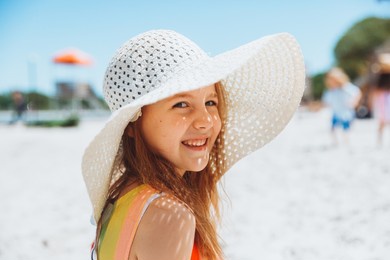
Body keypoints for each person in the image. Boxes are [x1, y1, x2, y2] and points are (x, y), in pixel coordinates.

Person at [82, 29, 305, 260]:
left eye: (210, 102)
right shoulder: (169, 215)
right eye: (181, 104)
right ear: (131, 124)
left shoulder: (121, 197)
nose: (206, 121)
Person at [322, 67, 361, 144]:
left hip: (346, 113)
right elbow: (326, 100)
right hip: (336, 112)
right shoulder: (331, 91)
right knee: (333, 129)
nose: (332, 82)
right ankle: (336, 142)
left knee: (345, 129)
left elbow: (357, 93)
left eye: (333, 80)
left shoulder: (346, 87)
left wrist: (354, 102)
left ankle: (346, 141)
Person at [371, 54, 390, 145]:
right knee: (383, 119)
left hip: (385, 97)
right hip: (383, 98)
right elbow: (376, 89)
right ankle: (379, 139)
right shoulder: (380, 76)